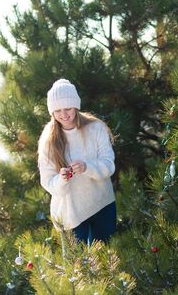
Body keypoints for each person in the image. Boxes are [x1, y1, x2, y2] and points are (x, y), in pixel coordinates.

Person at [38, 78, 116, 244]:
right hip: (71, 213)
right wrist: (62, 179)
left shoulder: (96, 128)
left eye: (68, 108)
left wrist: (87, 167)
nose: (64, 115)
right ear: (52, 112)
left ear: (76, 106)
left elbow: (109, 165)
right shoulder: (48, 139)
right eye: (57, 110)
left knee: (105, 262)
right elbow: (48, 181)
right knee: (77, 267)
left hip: (103, 204)